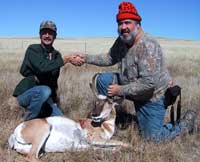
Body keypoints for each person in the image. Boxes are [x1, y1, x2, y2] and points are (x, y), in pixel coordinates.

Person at [71, 2, 196, 143]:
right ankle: (106, 118)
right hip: (130, 85)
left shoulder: (148, 46)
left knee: (152, 139)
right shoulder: (123, 40)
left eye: (127, 22)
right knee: (102, 80)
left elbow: (149, 84)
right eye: (120, 23)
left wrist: (120, 90)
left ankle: (185, 123)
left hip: (152, 97)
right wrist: (86, 58)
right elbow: (110, 57)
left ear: (138, 24)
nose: (123, 27)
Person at [13, 20, 80, 121]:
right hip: (27, 94)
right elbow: (42, 67)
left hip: (45, 97)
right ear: (40, 35)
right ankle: (27, 120)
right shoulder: (33, 49)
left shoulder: (56, 55)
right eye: (44, 33)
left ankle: (40, 114)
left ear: (55, 36)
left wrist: (55, 99)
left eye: (51, 33)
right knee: (44, 90)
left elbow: (53, 81)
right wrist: (66, 60)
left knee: (61, 120)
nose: (47, 35)